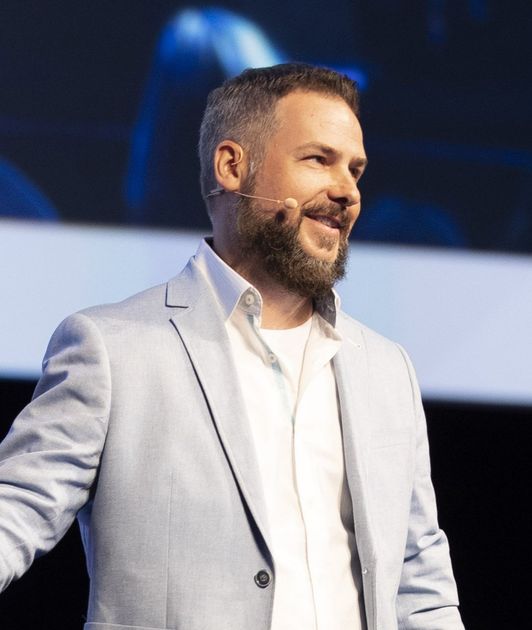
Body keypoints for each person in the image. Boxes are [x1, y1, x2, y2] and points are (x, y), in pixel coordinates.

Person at [0, 63, 464, 630]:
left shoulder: (386, 368)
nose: (347, 191)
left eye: (355, 170)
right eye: (318, 159)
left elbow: (419, 582)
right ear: (231, 166)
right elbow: (14, 511)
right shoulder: (112, 350)